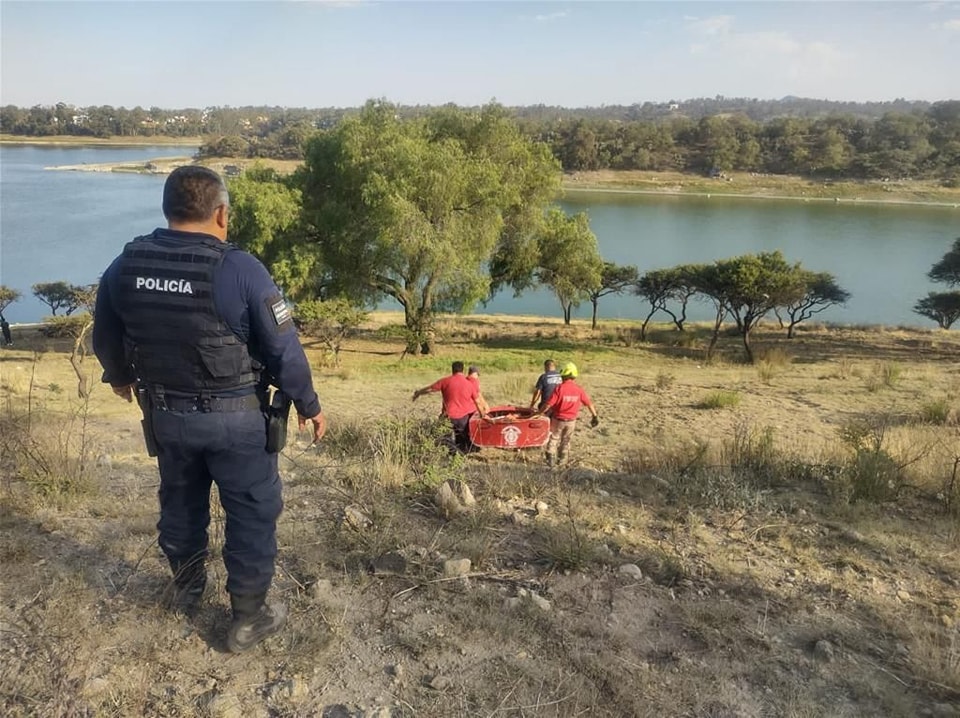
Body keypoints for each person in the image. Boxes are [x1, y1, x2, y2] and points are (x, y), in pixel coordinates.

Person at [93, 166, 326, 653]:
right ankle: (246, 616)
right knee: (251, 512)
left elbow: (106, 329)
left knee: (179, 503)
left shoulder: (126, 263)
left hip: (166, 417)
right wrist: (308, 403)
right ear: (220, 213)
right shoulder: (240, 268)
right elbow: (283, 348)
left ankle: (185, 590)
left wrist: (119, 376)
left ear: (168, 209)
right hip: (236, 421)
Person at [412, 361, 486, 453]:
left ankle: (450, 453)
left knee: (444, 439)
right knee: (463, 440)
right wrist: (482, 414)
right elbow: (477, 402)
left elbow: (430, 389)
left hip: (448, 416)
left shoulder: (445, 381)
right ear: (463, 370)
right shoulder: (469, 384)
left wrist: (418, 392)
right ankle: (462, 454)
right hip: (463, 418)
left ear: (452, 370)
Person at [539, 362, 599, 467]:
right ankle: (562, 463)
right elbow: (589, 404)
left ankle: (551, 465)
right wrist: (595, 416)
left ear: (563, 376)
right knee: (566, 442)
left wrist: (540, 413)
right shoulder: (579, 390)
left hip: (558, 420)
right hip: (571, 421)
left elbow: (549, 404)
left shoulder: (559, 388)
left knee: (553, 439)